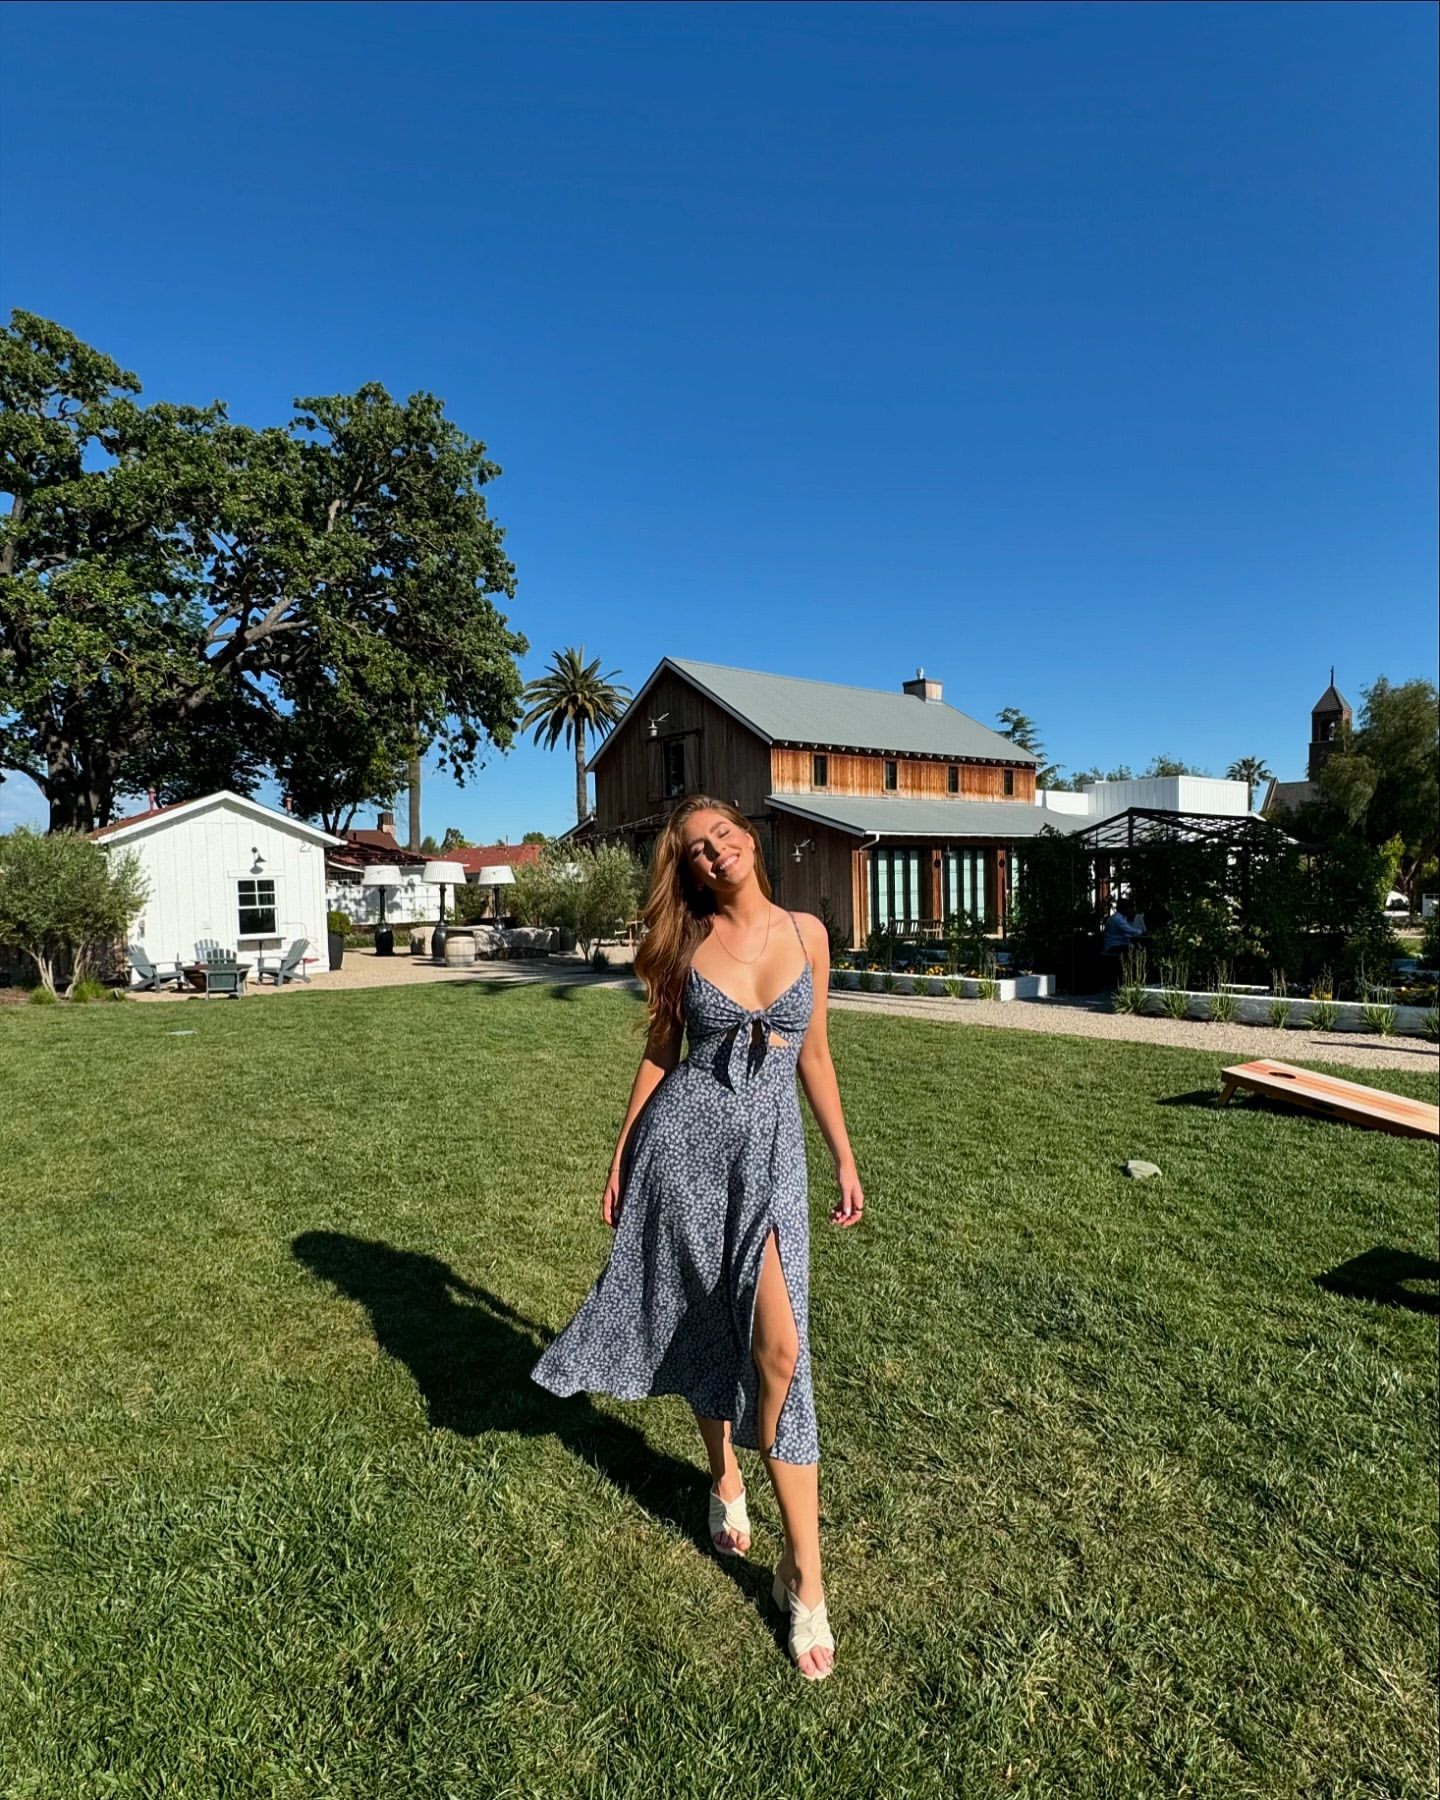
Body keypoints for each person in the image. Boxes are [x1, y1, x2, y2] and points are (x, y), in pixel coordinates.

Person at [530, 795, 865, 1681]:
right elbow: (661, 1052)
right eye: (696, 850)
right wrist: (622, 1152)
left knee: (782, 1351)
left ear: (747, 837)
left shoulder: (808, 934)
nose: (715, 852)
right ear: (687, 871)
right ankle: (724, 1474)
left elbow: (815, 1054)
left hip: (771, 1162)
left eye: (723, 835)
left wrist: (843, 1156)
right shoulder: (685, 944)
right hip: (684, 1153)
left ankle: (804, 1575)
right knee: (708, 1320)